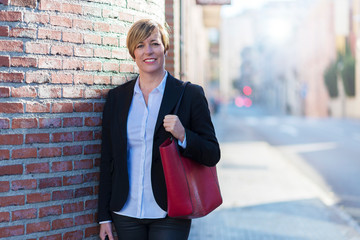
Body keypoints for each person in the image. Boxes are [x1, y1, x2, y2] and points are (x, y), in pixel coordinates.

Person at [98, 19, 220, 240]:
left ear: (165, 47)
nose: (148, 51)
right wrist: (104, 216)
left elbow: (212, 153)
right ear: (132, 53)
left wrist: (183, 135)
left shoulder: (190, 95)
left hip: (170, 210)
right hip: (126, 211)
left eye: (154, 43)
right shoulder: (117, 99)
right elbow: (108, 159)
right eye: (140, 45)